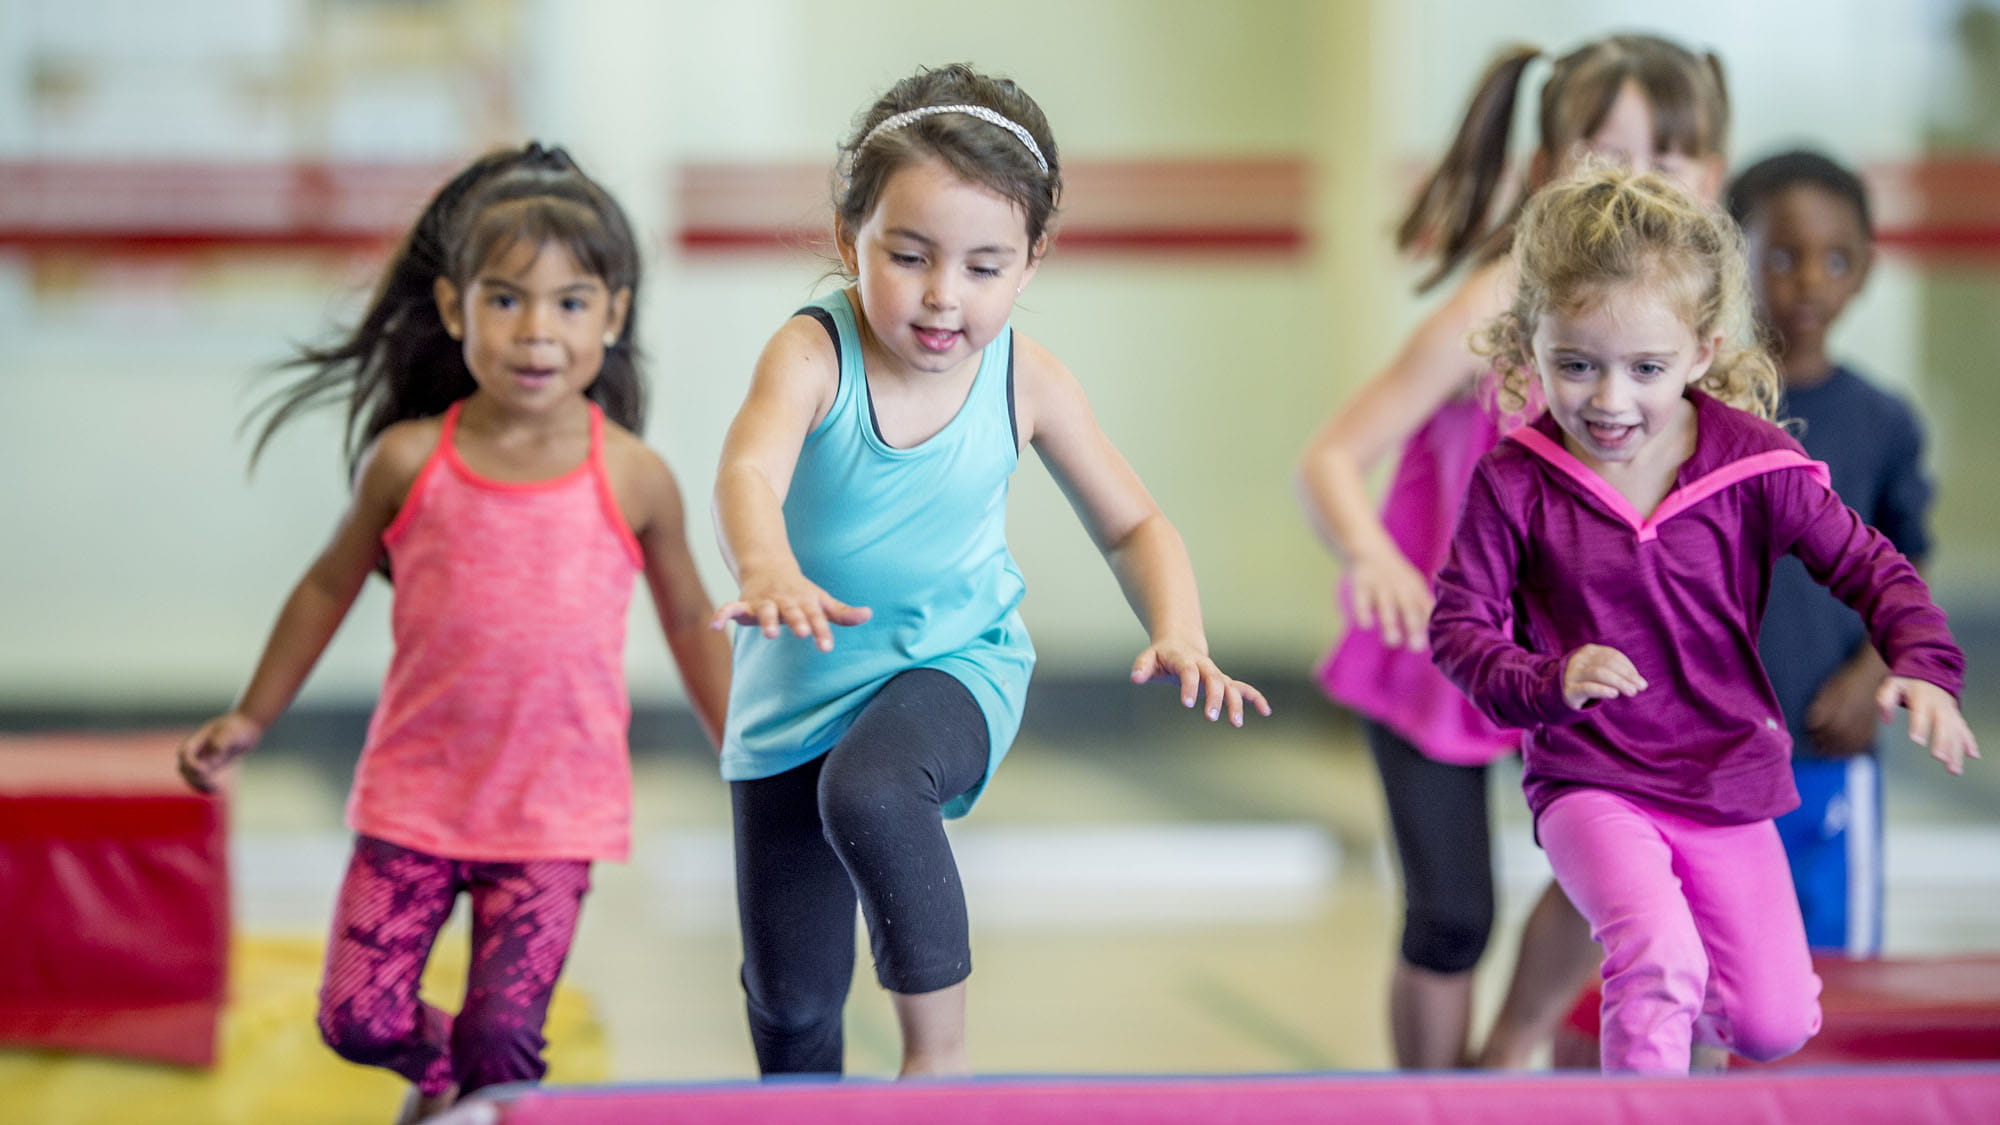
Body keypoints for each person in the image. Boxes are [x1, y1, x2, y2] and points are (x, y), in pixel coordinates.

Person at [710, 63, 1269, 1079]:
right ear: (850, 241)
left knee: (874, 791)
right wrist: (767, 565)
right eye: (909, 256)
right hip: (792, 696)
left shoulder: (1026, 376)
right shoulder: (811, 354)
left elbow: (1133, 522)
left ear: (1028, 265)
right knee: (790, 1009)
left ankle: (940, 1066)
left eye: (981, 266)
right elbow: (749, 465)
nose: (940, 296)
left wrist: (1176, 626)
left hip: (953, 666)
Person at [175, 143, 732, 1122]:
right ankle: (462, 1089)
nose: (535, 331)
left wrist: (746, 744)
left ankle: (486, 1085)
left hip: (552, 816)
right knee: (357, 1018)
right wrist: (250, 717)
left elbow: (688, 616)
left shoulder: (634, 476)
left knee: (504, 1033)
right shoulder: (409, 460)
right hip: (414, 805)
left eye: (569, 304)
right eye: (506, 299)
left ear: (612, 315)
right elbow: (324, 587)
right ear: (452, 309)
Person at [1428, 164, 1976, 1075]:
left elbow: (1873, 563)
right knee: (1659, 964)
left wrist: (1921, 662)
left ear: (1702, 352)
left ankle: (1693, 1063)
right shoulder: (1515, 480)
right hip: (1593, 780)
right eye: (1575, 365)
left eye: (1645, 369)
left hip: (1726, 781)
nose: (1609, 401)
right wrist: (1546, 680)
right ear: (1533, 346)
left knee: (1770, 1021)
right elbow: (1460, 629)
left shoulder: (1755, 463)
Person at [1294, 34, 1731, 1069]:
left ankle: (1500, 1068)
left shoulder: (1685, 330)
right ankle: (1435, 1097)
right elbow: (1329, 455)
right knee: (1450, 914)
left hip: (1577, 656)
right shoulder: (1493, 309)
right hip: (1442, 646)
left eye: (1664, 161)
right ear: (1543, 171)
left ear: (1707, 178)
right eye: (1602, 154)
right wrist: (1372, 556)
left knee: (1622, 862)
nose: (1633, 183)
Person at [1728, 150, 1931, 956]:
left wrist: (1871, 677)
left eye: (1834, 258)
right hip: (1716, 760)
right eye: (1780, 255)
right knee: (1724, 970)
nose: (1808, 280)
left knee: (1835, 967)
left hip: (1831, 751)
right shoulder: (1696, 410)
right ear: (1730, 258)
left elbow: (1906, 577)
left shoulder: (1884, 423)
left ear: (1865, 270)